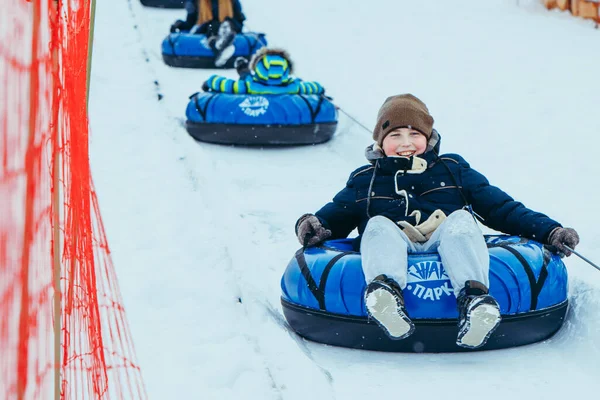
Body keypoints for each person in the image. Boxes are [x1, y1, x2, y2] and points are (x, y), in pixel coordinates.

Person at [295, 94, 580, 349]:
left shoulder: (452, 169)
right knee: (378, 225)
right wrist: (314, 223)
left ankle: (475, 300)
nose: (406, 143)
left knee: (460, 220)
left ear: (429, 137)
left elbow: (502, 208)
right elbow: (337, 213)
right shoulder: (365, 180)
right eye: (395, 134)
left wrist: (549, 230)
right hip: (394, 245)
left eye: (414, 133)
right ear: (380, 141)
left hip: (446, 243)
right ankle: (384, 295)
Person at [201, 48, 326, 95]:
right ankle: (243, 68)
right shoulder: (294, 87)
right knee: (247, 77)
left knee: (246, 77)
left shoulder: (250, 86)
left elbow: (225, 84)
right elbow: (314, 87)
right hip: (285, 87)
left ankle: (242, 67)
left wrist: (210, 82)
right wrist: (320, 89)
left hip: (255, 83)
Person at [170, 0, 246, 66]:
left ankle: (223, 40)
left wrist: (230, 21)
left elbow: (239, 21)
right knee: (212, 25)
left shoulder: (232, 1)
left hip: (227, 26)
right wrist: (180, 25)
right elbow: (190, 22)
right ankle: (218, 45)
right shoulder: (195, 2)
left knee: (226, 23)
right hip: (206, 28)